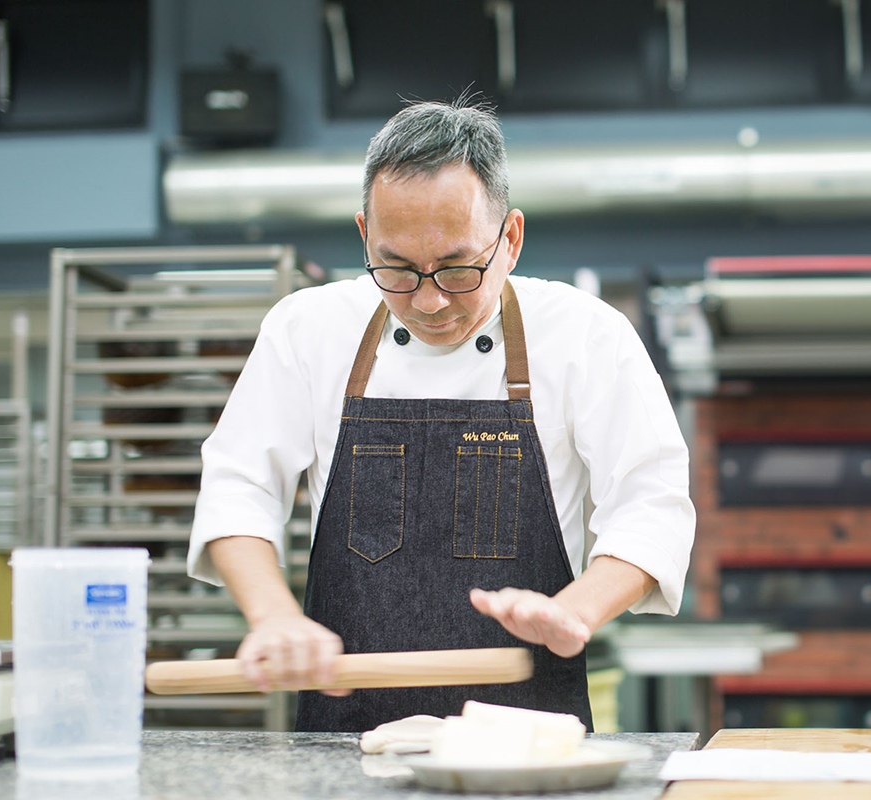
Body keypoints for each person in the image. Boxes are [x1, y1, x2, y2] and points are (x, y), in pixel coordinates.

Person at [188, 98, 695, 733]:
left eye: (457, 269)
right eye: (395, 269)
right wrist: (273, 615)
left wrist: (576, 610)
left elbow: (652, 501)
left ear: (509, 239)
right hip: (345, 744)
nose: (428, 301)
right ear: (363, 236)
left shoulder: (588, 336)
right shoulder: (307, 328)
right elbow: (238, 483)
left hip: (527, 741)